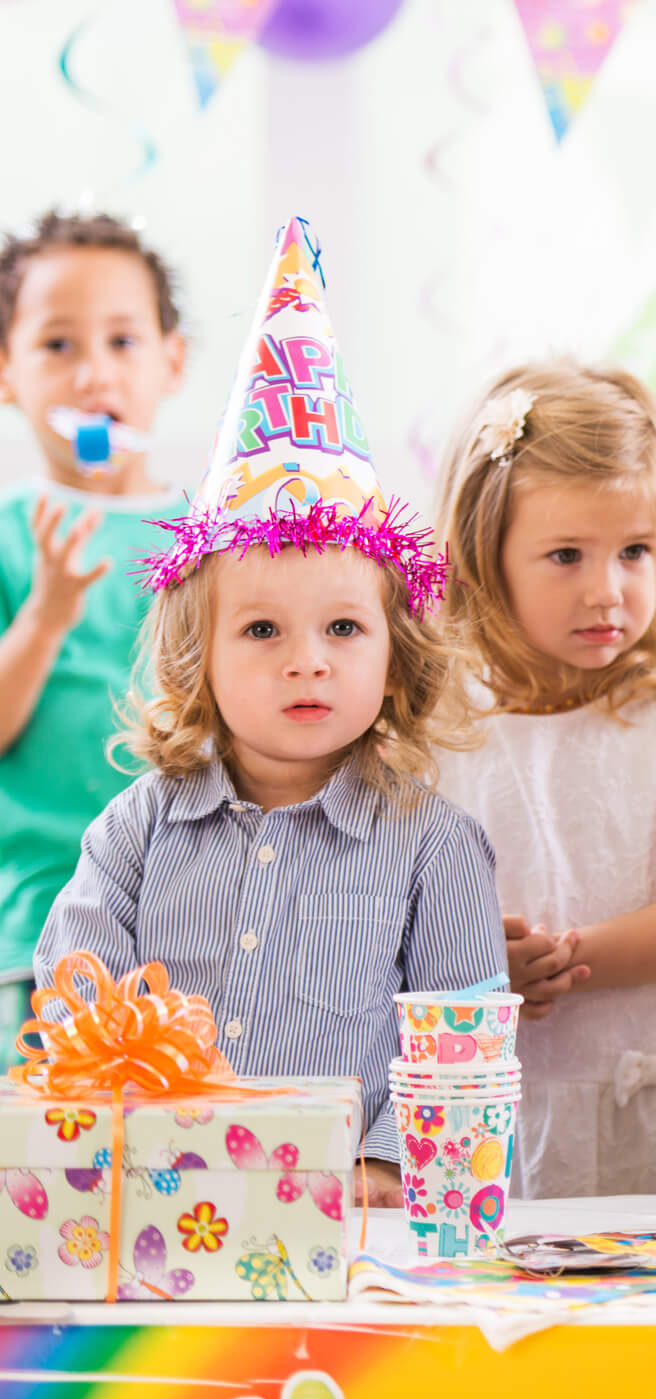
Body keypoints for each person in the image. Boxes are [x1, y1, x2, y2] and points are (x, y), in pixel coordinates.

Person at [34, 218, 501, 1204]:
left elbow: (462, 1024)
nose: (306, 663)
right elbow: (77, 973)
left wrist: (386, 1157)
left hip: (359, 1215)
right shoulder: (138, 828)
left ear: (394, 652)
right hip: (164, 1200)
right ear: (198, 659)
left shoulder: (433, 845)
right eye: (260, 632)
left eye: (342, 628)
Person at [434, 361, 656, 1198]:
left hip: (637, 1113)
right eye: (566, 555)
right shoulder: (439, 725)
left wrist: (561, 961)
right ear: (481, 554)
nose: (606, 590)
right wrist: (473, 964)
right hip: (479, 1112)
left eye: (635, 552)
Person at [0, 211, 192, 1034]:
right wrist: (46, 615)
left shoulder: (213, 538)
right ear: (6, 371)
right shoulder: (11, 533)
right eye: (57, 346)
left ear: (171, 362)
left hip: (193, 920)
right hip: (40, 919)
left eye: (122, 342)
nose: (93, 376)